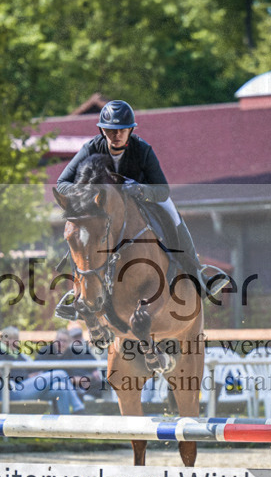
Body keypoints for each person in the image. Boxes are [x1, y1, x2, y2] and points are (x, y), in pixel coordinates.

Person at [54, 100, 227, 318]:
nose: (116, 135)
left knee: (173, 216)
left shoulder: (143, 150)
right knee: (81, 234)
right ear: (102, 130)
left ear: (130, 130)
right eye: (111, 130)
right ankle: (77, 292)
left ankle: (198, 274)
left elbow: (162, 190)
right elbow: (62, 183)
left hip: (143, 199)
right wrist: (88, 191)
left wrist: (140, 189)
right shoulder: (90, 148)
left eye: (122, 130)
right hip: (104, 206)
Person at [0, 326, 85, 414]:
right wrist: (28, 376)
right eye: (9, 338)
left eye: (15, 339)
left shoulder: (18, 354)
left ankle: (65, 421)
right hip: (15, 391)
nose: (12, 341)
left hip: (29, 388)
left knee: (61, 387)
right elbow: (5, 373)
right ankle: (78, 407)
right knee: (61, 374)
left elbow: (33, 368)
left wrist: (35, 374)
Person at [37, 328, 105, 398]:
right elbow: (36, 373)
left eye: (64, 341)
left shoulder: (72, 353)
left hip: (66, 388)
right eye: (59, 340)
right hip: (46, 387)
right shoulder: (45, 351)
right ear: (55, 340)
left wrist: (91, 374)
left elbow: (78, 374)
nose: (61, 343)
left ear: (69, 343)